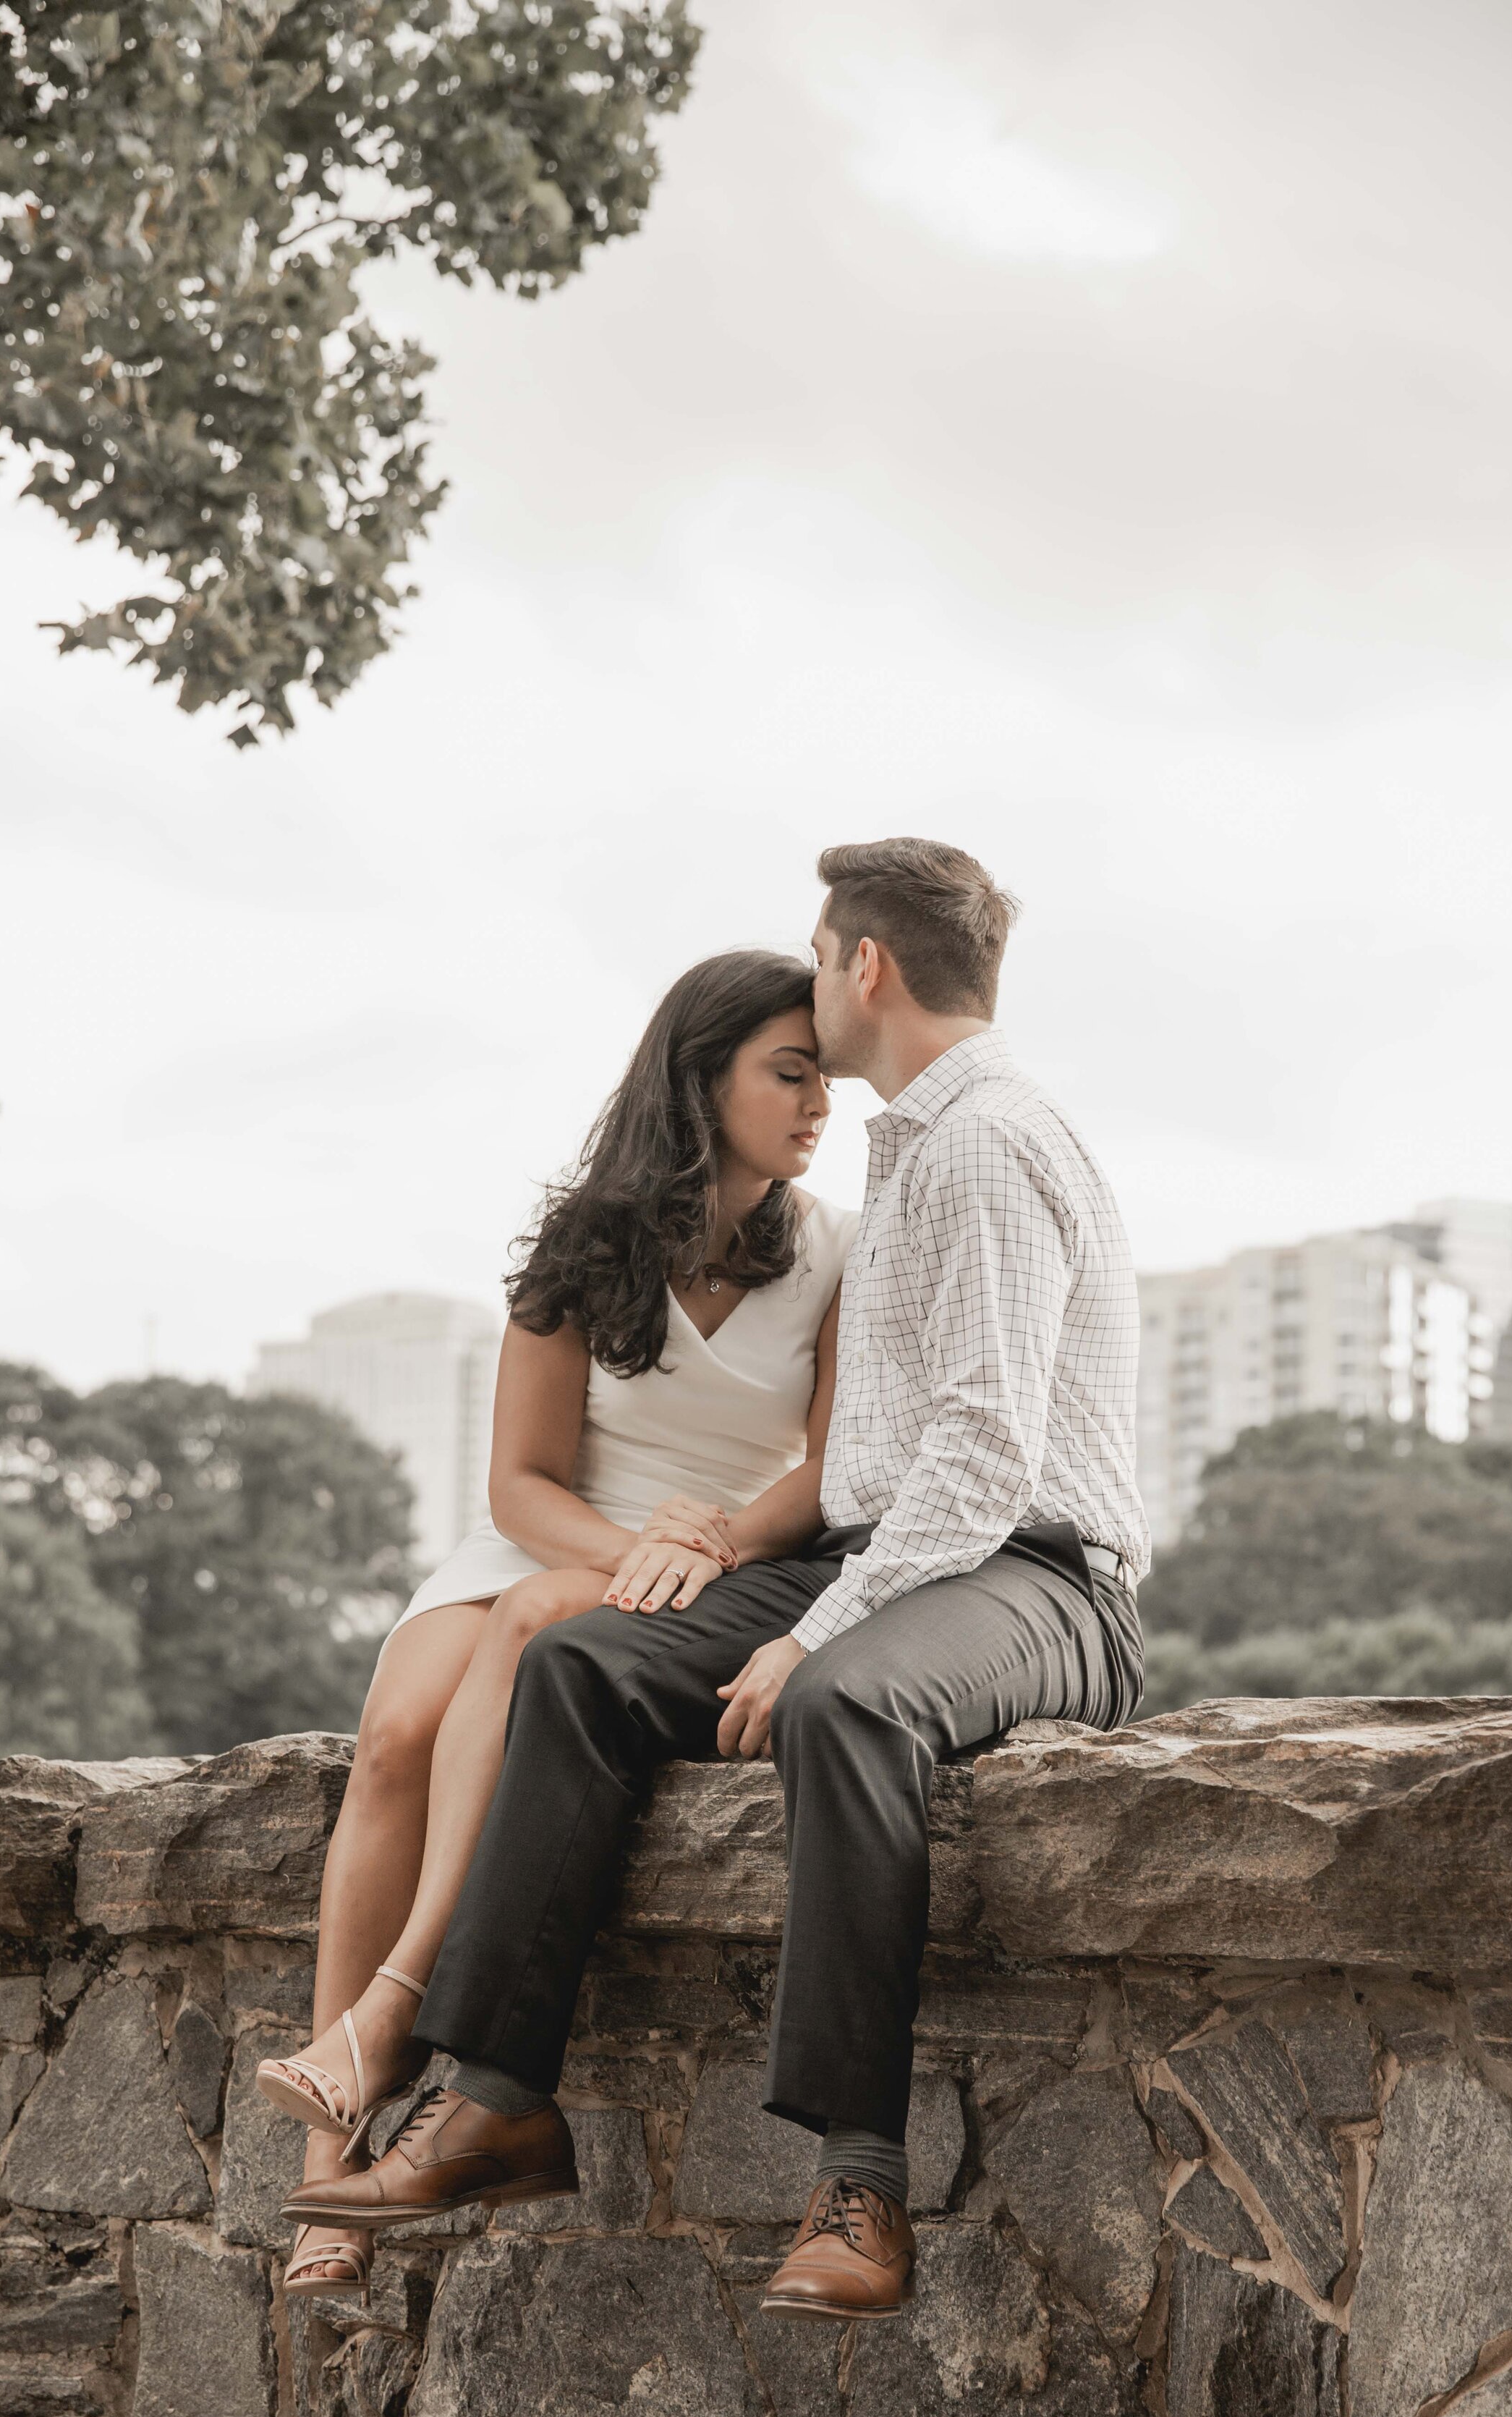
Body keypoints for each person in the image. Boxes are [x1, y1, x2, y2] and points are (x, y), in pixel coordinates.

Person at [286, 838, 1150, 2321]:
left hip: (1040, 1578)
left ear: (861, 965)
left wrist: (822, 1627)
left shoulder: (991, 1143)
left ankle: (858, 2188)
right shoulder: (913, 1150)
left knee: (843, 1708)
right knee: (578, 1662)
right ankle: (495, 2099)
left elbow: (985, 1455)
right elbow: (868, 1467)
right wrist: (777, 1579)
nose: (815, 998)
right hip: (903, 1561)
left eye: (820, 962)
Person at [259, 949, 856, 2298]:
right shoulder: (583, 1243)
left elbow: (829, 1468)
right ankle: (332, 2179)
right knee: (395, 1730)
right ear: (703, 1077)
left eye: (823, 1073)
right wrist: (629, 1541)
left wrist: (710, 1544)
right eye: (791, 1071)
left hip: (724, 1553)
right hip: (570, 1530)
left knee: (532, 1633)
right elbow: (518, 1481)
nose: (821, 1101)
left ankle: (389, 2024)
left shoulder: (834, 1249)